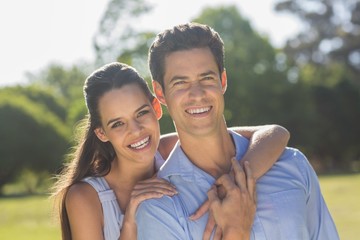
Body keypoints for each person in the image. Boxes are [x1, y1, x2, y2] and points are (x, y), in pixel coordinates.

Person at [135, 22, 340, 239]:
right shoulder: (158, 207)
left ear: (223, 80)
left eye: (207, 78)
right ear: (160, 93)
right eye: (180, 83)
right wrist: (236, 231)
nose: (197, 94)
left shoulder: (291, 163)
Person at [51, 62, 290, 240]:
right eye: (118, 124)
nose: (136, 131)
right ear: (102, 133)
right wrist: (132, 221)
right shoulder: (85, 197)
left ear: (156, 107)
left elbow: (276, 133)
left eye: (141, 113)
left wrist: (236, 181)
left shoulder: (168, 149)